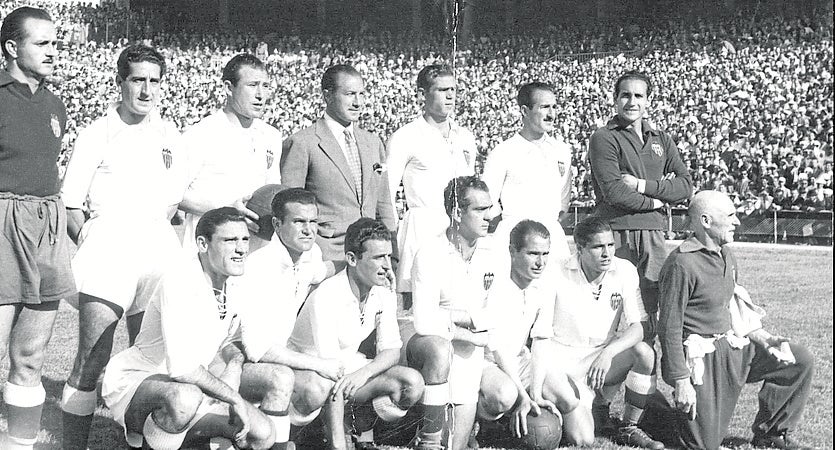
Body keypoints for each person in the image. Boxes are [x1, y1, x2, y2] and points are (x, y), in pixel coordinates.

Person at [58, 44, 187, 450]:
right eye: (137, 80)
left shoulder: (170, 135)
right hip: (109, 250)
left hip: (158, 248)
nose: (147, 90)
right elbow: (71, 204)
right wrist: (95, 243)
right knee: (92, 358)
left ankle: (138, 439)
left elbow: (172, 200)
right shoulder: (97, 132)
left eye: (154, 81)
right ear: (120, 82)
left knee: (153, 356)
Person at [101, 208, 278, 449]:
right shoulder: (181, 280)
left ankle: (180, 441)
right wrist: (233, 397)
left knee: (263, 433)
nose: (241, 249)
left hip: (196, 384)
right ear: (203, 244)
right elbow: (182, 369)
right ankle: (148, 440)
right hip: (138, 380)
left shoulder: (237, 279)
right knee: (184, 399)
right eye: (230, 240)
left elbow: (234, 341)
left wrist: (234, 366)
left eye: (244, 239)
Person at [658, 191, 814, 450]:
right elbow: (669, 327)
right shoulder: (681, 264)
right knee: (703, 445)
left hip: (734, 346)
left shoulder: (727, 255)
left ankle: (771, 434)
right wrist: (681, 380)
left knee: (798, 360)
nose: (737, 221)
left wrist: (763, 337)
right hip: (703, 357)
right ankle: (651, 410)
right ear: (706, 221)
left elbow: (732, 303)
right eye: (730, 215)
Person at [0, 8, 76, 449]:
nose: (53, 52)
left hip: (47, 224)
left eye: (55, 43)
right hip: (3, 224)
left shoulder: (53, 102)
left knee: (30, 355)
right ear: (12, 48)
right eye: (42, 43)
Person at [287, 218, 424, 449]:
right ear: (352, 259)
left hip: (348, 370)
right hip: (309, 375)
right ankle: (321, 437)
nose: (387, 266)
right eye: (378, 257)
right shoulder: (327, 295)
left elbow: (391, 350)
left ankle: (357, 428)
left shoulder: (382, 290)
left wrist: (364, 373)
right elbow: (330, 371)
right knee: (323, 385)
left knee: (411, 383)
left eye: (389, 256)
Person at [229, 187, 345, 448]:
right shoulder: (257, 266)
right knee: (286, 377)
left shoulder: (309, 255)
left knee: (317, 387)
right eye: (299, 222)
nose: (308, 230)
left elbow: (321, 271)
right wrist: (319, 363)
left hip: (270, 359)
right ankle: (260, 438)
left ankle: (271, 433)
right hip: (232, 362)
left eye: (313, 222)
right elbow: (257, 350)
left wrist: (360, 265)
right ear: (277, 224)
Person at [588, 70, 693, 336]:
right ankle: (609, 372)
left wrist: (643, 186)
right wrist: (657, 203)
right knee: (611, 308)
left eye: (638, 95)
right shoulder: (604, 137)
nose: (631, 101)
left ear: (648, 101)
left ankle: (644, 373)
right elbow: (614, 192)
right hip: (617, 232)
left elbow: (685, 186)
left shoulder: (661, 139)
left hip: (653, 235)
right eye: (625, 95)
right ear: (615, 99)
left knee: (651, 307)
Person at [546, 217, 663, 448]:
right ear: (579, 249)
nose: (607, 253)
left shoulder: (624, 270)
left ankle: (628, 426)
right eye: (598, 247)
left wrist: (609, 352)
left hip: (600, 356)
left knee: (644, 352)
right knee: (583, 439)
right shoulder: (556, 271)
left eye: (610, 245)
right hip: (561, 362)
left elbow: (638, 326)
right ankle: (579, 408)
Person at [403, 175, 500, 450]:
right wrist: (470, 328)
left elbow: (499, 312)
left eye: (489, 208)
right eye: (480, 210)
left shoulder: (493, 253)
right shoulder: (430, 253)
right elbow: (423, 321)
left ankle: (464, 431)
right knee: (439, 349)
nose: (488, 217)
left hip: (472, 353)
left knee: (455, 446)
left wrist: (455, 317)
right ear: (457, 212)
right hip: (432, 348)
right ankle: (427, 438)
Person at [474, 220, 578, 444]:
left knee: (567, 398)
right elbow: (497, 348)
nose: (541, 262)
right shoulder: (496, 286)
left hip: (518, 359)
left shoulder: (544, 286)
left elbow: (541, 340)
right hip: (486, 361)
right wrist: (522, 395)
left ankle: (511, 420)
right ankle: (480, 421)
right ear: (512, 251)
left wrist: (536, 394)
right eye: (533, 254)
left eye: (545, 254)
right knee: (504, 395)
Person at [280, 64, 397, 261]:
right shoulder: (302, 143)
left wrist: (392, 255)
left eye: (361, 94)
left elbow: (383, 204)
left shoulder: (373, 142)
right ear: (328, 95)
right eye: (350, 94)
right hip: (325, 256)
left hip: (370, 258)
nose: (358, 102)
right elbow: (290, 210)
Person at [385, 63, 476, 295]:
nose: (450, 96)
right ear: (422, 95)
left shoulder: (465, 137)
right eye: (442, 90)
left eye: (453, 90)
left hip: (458, 229)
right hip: (421, 228)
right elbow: (387, 192)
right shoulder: (405, 137)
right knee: (416, 302)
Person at [179, 53, 283, 253]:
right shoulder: (201, 134)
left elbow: (273, 191)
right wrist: (226, 208)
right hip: (210, 250)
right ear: (228, 88)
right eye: (252, 85)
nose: (261, 94)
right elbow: (175, 193)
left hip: (258, 250)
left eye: (266, 86)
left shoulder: (271, 136)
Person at [482, 81, 572, 265]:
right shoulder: (503, 152)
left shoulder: (561, 150)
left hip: (552, 240)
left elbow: (563, 204)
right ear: (525, 111)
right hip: (514, 238)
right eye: (545, 107)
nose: (551, 114)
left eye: (554, 107)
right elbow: (488, 202)